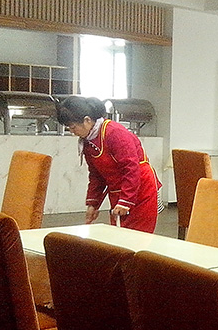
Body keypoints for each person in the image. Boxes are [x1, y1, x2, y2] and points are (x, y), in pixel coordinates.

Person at [57, 95, 161, 233]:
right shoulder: (88, 140)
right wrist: (93, 204)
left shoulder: (115, 133)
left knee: (137, 238)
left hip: (141, 189)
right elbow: (96, 175)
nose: (72, 132)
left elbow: (131, 168)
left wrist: (125, 200)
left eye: (73, 127)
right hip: (119, 190)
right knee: (119, 235)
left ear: (87, 120)